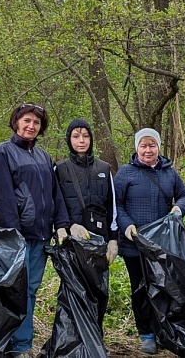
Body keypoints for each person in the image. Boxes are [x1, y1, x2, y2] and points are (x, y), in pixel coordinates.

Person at [0, 103, 70, 358]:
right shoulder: (4, 152)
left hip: (42, 234)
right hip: (17, 236)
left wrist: (62, 225)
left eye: (36, 123)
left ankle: (23, 344)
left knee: (31, 289)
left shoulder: (44, 156)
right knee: (12, 290)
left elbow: (54, 194)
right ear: (16, 122)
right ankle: (4, 341)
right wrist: (13, 233)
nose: (31, 126)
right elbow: (4, 196)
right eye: (26, 120)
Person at [114, 128, 185, 355]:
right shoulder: (125, 173)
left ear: (158, 147)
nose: (148, 150)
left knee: (164, 288)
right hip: (134, 244)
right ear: (137, 148)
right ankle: (146, 333)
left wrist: (179, 209)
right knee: (140, 289)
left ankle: (164, 330)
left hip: (162, 245)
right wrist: (127, 225)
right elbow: (116, 204)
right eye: (143, 146)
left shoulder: (169, 173)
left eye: (152, 145)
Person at [55, 118, 118, 326]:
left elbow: (112, 206)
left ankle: (94, 337)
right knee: (73, 291)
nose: (81, 141)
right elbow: (56, 202)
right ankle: (73, 340)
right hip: (72, 242)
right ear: (69, 139)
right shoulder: (60, 169)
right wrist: (64, 227)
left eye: (85, 136)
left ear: (91, 138)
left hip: (99, 242)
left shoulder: (104, 168)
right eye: (76, 136)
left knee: (97, 291)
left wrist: (113, 240)